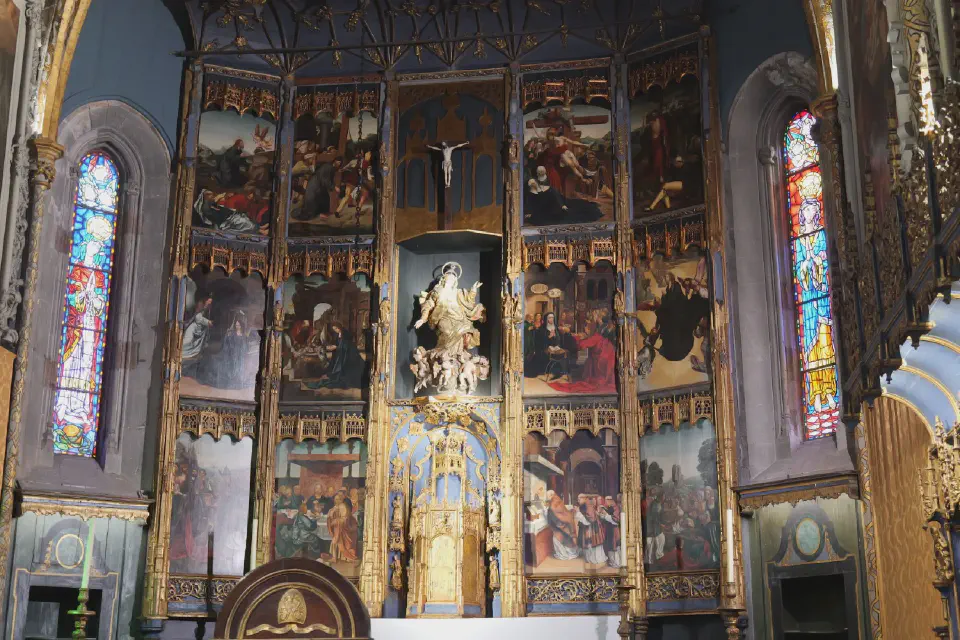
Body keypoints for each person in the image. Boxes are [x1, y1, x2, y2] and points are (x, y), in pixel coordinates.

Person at [547, 321, 617, 394]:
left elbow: (581, 345)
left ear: (591, 329)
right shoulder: (595, 336)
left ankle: (569, 372)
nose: (585, 329)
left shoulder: (595, 337)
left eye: (586, 328)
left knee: (594, 380)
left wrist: (573, 336)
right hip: (605, 355)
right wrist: (577, 336)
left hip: (604, 359)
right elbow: (585, 340)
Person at [313, 321, 365, 390]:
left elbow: (346, 344)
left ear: (339, 327)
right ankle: (335, 373)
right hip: (342, 351)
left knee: (345, 367)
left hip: (349, 353)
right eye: (334, 329)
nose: (335, 330)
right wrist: (333, 346)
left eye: (336, 329)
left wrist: (336, 347)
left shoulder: (345, 333)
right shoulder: (338, 334)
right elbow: (338, 344)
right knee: (335, 359)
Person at [524, 312, 574, 380]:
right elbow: (539, 342)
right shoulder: (542, 329)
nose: (551, 319)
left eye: (552, 317)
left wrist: (556, 338)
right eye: (550, 318)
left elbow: (559, 339)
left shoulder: (555, 327)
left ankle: (565, 372)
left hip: (555, 347)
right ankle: (554, 372)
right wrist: (549, 337)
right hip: (545, 349)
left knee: (566, 352)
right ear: (546, 319)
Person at [327, 492, 359, 562]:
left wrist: (336, 521)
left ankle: (339, 557)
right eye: (335, 499)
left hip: (343, 530)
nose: (337, 501)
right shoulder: (335, 507)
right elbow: (330, 516)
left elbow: (345, 519)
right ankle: (335, 557)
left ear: (341, 500)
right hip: (337, 528)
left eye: (338, 499)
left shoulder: (343, 507)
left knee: (336, 541)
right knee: (335, 541)